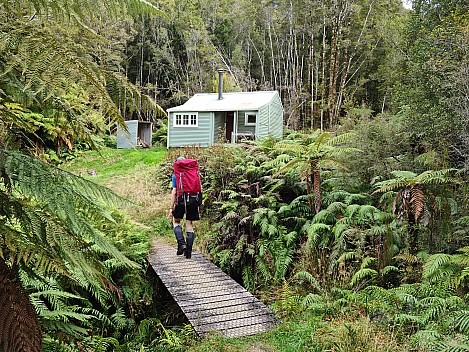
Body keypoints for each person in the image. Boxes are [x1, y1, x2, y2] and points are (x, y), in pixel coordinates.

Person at [168, 157, 200, 259]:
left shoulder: (176, 175)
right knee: (189, 224)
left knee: (176, 221)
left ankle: (182, 244)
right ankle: (188, 252)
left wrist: (171, 207)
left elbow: (174, 191)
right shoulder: (193, 172)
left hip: (181, 199)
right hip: (193, 199)